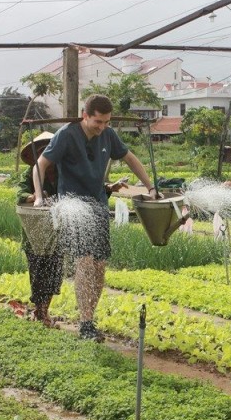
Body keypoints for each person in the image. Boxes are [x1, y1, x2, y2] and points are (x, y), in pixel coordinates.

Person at [33, 94, 158, 341]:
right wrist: (38, 197)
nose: (101, 127)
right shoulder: (66, 135)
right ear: (85, 115)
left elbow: (130, 159)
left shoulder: (108, 135)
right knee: (85, 261)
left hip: (98, 205)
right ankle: (86, 323)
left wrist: (150, 187)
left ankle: (90, 318)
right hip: (72, 206)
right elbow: (41, 164)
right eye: (97, 122)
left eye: (106, 122)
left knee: (100, 267)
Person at [16, 131, 62, 328]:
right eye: (42, 152)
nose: (46, 156)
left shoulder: (64, 172)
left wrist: (108, 188)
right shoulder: (30, 173)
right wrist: (34, 196)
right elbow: (20, 193)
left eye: (49, 151)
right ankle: (40, 311)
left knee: (54, 273)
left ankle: (44, 311)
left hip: (57, 232)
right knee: (38, 272)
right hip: (34, 233)